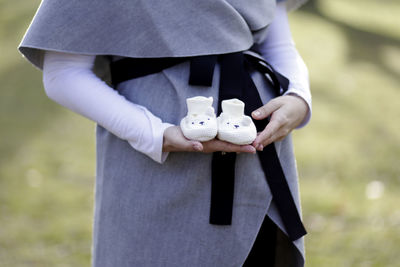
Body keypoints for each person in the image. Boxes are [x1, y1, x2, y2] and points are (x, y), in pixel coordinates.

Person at [19, 0, 311, 266]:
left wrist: (299, 97)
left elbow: (279, 46)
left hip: (256, 168)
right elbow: (63, 73)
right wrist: (155, 134)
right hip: (155, 171)